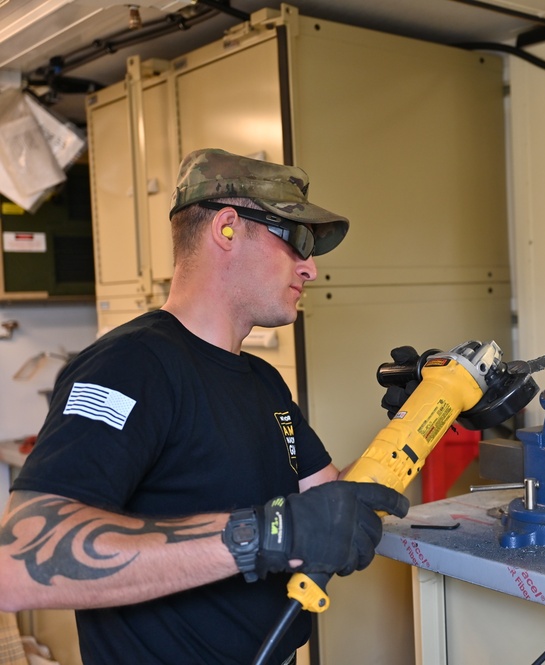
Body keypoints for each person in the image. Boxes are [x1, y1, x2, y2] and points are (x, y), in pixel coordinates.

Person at [0, 148, 409, 665]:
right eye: (297, 240)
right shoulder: (132, 365)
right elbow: (21, 561)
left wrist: (424, 415)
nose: (310, 269)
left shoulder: (262, 379)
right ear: (227, 228)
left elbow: (334, 511)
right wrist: (261, 534)